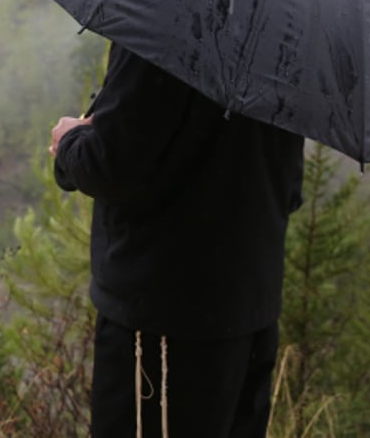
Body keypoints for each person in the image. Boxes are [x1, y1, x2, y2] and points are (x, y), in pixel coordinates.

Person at [49, 43, 304, 438]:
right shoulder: (288, 37)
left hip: (161, 324)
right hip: (250, 318)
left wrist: (69, 142)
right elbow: (289, 191)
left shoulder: (162, 24)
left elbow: (107, 165)